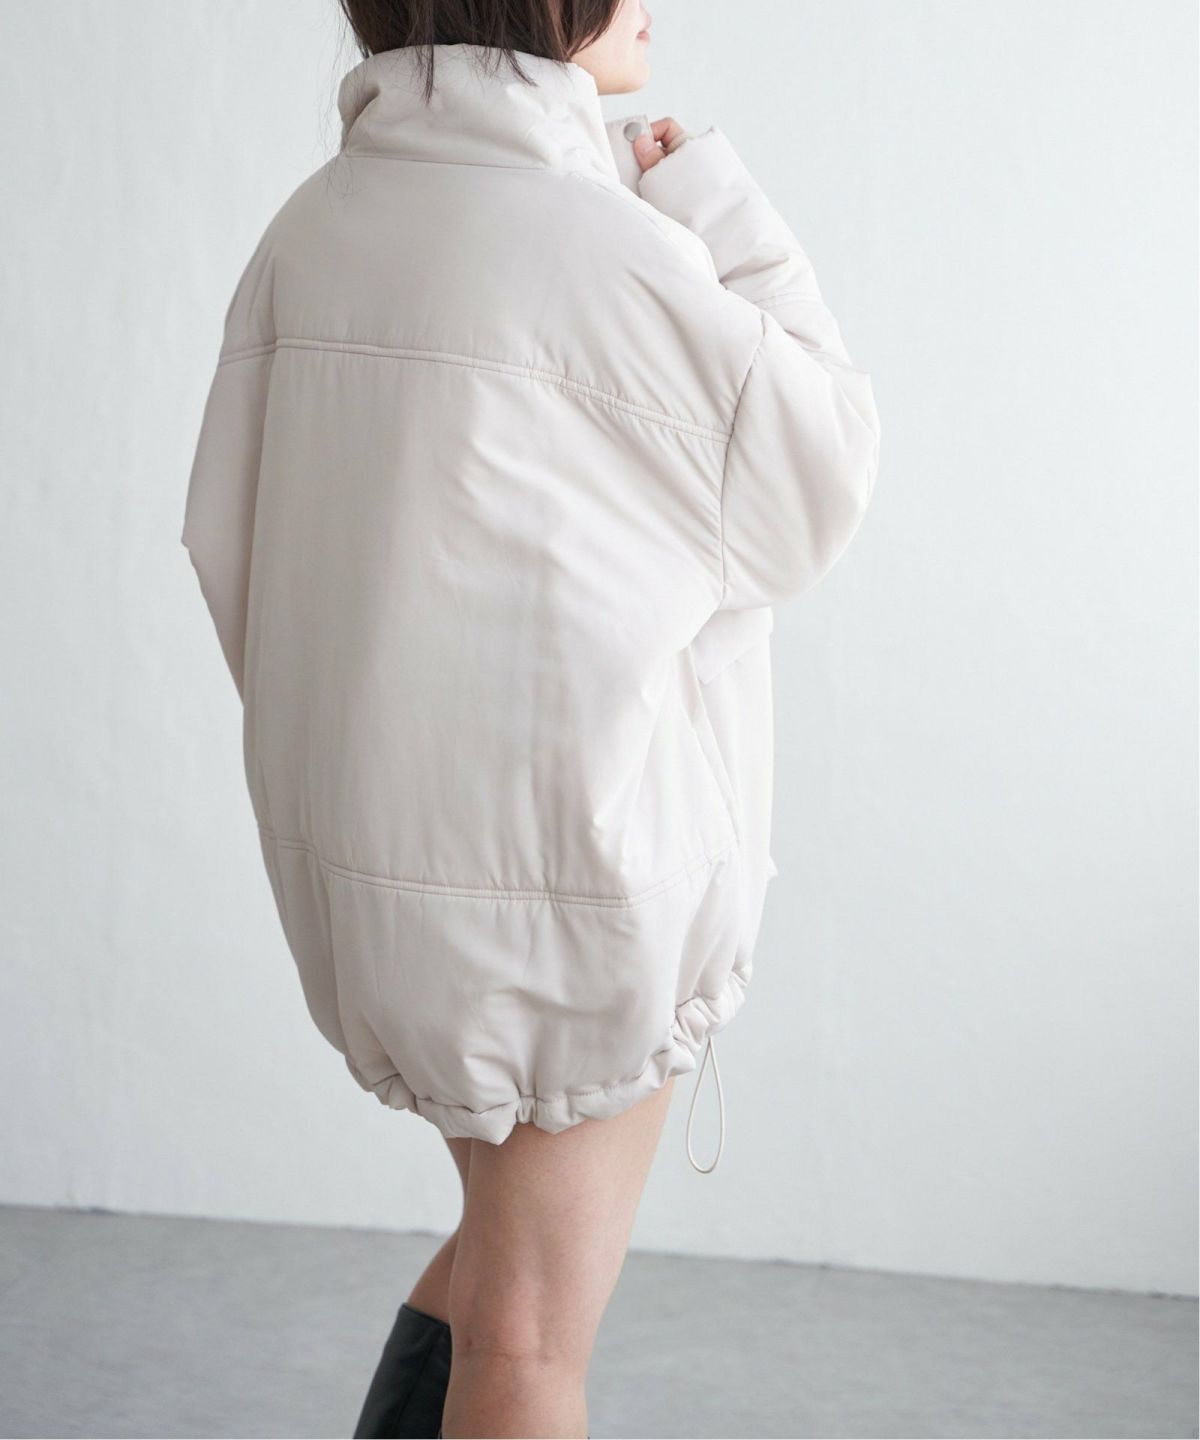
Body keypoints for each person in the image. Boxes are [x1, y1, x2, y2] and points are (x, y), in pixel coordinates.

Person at [180, 0, 880, 1434]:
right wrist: (716, 204)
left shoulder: (309, 232)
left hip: (386, 886)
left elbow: (231, 547)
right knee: (528, 1337)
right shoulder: (608, 248)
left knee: (499, 1273)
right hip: (580, 895)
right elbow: (819, 480)